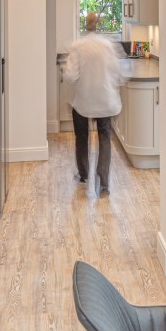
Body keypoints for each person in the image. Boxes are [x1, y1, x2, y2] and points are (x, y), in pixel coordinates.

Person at [63, 11, 124, 194]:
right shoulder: (108, 45)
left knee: (82, 137)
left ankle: (83, 174)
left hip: (83, 101)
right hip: (105, 100)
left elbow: (71, 76)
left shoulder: (77, 46)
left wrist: (65, 73)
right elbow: (118, 73)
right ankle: (103, 181)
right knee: (105, 138)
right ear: (99, 24)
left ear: (85, 24)